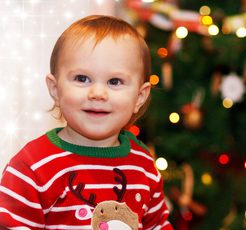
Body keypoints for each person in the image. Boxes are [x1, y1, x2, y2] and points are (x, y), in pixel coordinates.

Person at [0, 15, 173, 230]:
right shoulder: (32, 166)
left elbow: (157, 225)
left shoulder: (143, 165)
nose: (97, 93)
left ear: (139, 97)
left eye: (114, 81)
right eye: (82, 79)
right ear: (55, 89)